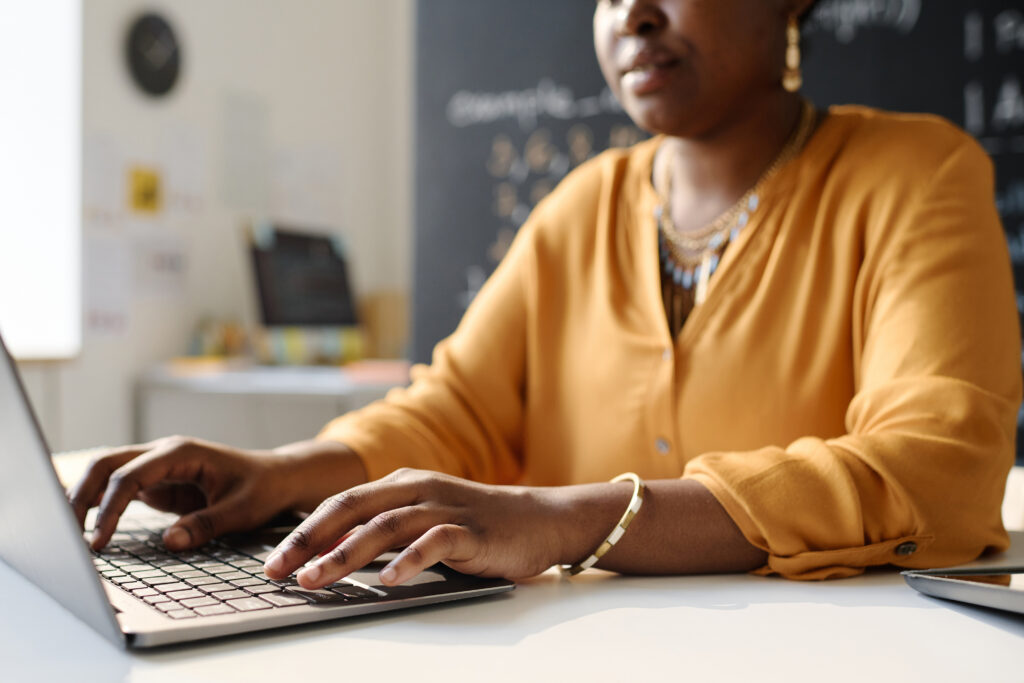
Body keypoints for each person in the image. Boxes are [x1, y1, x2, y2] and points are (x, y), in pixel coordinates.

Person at [71, 0, 1020, 589]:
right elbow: (457, 409)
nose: (632, 14)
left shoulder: (917, 174)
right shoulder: (582, 207)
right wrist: (282, 471)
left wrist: (566, 517)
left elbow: (933, 473)